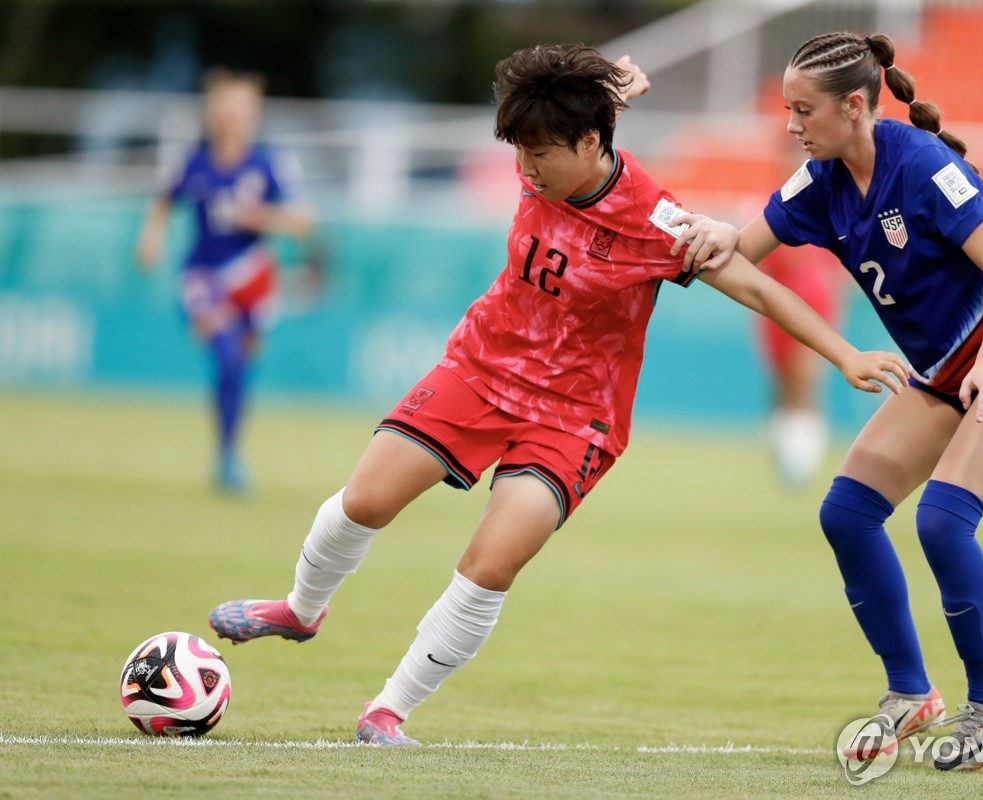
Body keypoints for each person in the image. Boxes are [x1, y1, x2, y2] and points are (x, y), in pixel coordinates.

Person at [207, 44, 908, 747]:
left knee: (491, 562)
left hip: (578, 419)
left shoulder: (656, 221)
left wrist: (843, 353)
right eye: (520, 152)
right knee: (365, 500)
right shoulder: (547, 152)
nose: (526, 169)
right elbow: (578, 108)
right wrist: (615, 84)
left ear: (590, 144)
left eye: (539, 154)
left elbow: (755, 285)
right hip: (480, 368)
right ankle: (300, 609)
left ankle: (388, 711)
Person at [670, 32, 983, 771]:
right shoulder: (819, 179)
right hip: (945, 365)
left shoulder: (923, 164)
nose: (791, 126)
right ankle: (910, 694)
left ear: (854, 107)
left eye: (804, 111)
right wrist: (711, 233)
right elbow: (746, 248)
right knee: (848, 513)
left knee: (943, 522)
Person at [136, 68, 315, 494]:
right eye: (224, 106)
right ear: (210, 111)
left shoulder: (271, 163)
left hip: (253, 278)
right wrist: (151, 237)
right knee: (228, 354)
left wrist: (264, 217)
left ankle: (228, 451)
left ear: (253, 114)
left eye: (240, 107)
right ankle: (230, 457)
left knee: (238, 368)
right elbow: (162, 202)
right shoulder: (192, 161)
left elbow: (304, 221)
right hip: (203, 276)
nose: (230, 115)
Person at [757, 244, 845, 487]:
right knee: (781, 384)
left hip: (810, 294)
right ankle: (786, 454)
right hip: (773, 298)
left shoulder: (825, 210)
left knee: (804, 383)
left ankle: (802, 462)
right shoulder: (762, 209)